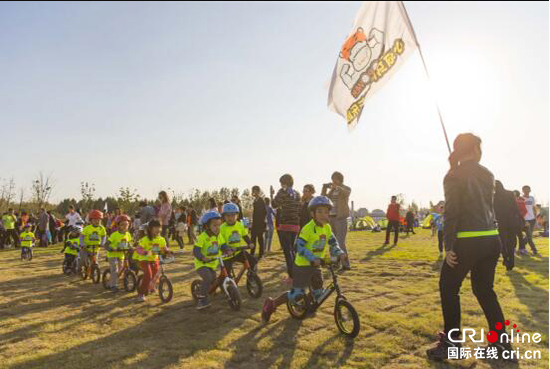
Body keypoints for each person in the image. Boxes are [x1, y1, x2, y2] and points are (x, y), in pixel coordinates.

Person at [426, 133, 513, 362]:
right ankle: (500, 342)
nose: (481, 151)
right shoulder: (488, 173)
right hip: (491, 239)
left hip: (467, 240)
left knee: (448, 287)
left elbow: (453, 210)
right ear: (474, 149)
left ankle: (452, 343)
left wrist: (448, 245)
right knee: (485, 290)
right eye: (480, 147)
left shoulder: (453, 175)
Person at [261, 196, 346, 322]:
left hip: (316, 265)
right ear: (312, 213)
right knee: (297, 294)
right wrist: (312, 257)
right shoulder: (307, 228)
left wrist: (339, 252)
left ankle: (307, 306)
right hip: (302, 266)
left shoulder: (327, 228)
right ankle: (272, 304)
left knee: (318, 292)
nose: (324, 215)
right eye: (320, 211)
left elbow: (333, 243)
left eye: (327, 212)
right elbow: (298, 246)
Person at [193, 211, 228, 309]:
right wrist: (202, 257)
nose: (217, 228)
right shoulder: (202, 237)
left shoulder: (219, 235)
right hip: (202, 264)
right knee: (208, 278)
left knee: (214, 278)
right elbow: (196, 250)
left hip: (212, 263)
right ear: (207, 226)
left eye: (219, 225)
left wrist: (227, 250)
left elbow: (223, 245)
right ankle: (202, 300)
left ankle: (213, 290)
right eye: (214, 225)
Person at [271, 174, 301, 281]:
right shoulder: (297, 193)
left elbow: (274, 204)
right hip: (295, 224)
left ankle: (292, 276)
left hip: (285, 224)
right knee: (293, 250)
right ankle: (297, 272)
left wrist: (271, 195)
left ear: (284, 182)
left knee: (287, 251)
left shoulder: (282, 192)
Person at [322, 172, 352, 271]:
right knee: (332, 242)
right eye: (332, 179)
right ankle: (334, 263)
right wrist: (325, 188)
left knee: (340, 242)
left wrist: (337, 187)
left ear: (340, 179)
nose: (333, 181)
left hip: (341, 218)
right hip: (331, 218)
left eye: (335, 179)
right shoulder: (332, 190)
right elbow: (324, 199)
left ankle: (346, 264)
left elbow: (346, 193)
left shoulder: (346, 188)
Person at [135, 220, 168, 302]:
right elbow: (138, 248)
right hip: (144, 260)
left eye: (159, 227)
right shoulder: (145, 239)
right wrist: (145, 252)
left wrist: (168, 251)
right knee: (149, 275)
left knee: (155, 274)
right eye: (156, 227)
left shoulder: (161, 239)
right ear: (150, 229)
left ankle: (151, 286)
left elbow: (164, 248)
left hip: (154, 259)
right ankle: (141, 293)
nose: (158, 229)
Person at [494, 181, 523, 270]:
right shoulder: (510, 193)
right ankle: (511, 262)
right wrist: (522, 219)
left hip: (500, 223)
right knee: (511, 242)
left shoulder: (493, 196)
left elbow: (492, 210)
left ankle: (506, 258)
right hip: (512, 222)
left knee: (502, 242)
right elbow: (515, 208)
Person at [220, 202, 256, 273]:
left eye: (233, 215)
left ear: (237, 215)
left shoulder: (239, 225)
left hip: (238, 251)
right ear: (224, 216)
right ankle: (223, 282)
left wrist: (250, 243)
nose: (230, 218)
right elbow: (220, 242)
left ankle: (251, 279)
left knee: (253, 261)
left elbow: (245, 235)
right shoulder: (221, 228)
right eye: (228, 215)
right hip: (227, 254)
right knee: (226, 274)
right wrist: (227, 249)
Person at [104, 215, 132, 292]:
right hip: (113, 255)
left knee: (122, 268)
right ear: (118, 225)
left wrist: (132, 248)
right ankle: (113, 285)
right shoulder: (114, 235)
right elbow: (106, 244)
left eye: (127, 224)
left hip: (122, 255)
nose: (125, 226)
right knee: (114, 269)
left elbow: (128, 244)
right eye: (122, 224)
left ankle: (121, 281)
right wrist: (111, 249)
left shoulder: (128, 234)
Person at [519, 185, 538, 256]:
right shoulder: (520, 199)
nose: (526, 191)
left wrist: (535, 217)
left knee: (528, 236)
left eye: (528, 190)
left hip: (532, 219)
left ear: (530, 190)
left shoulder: (532, 198)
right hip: (525, 220)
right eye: (525, 190)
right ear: (522, 191)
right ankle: (534, 249)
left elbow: (534, 208)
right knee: (529, 236)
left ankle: (521, 247)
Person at [251, 186, 267, 259]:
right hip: (254, 224)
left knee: (260, 239)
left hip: (260, 223)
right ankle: (252, 253)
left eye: (254, 191)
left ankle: (261, 254)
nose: (253, 192)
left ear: (258, 191)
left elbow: (264, 212)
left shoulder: (261, 200)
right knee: (253, 239)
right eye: (253, 191)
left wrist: (263, 223)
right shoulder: (255, 200)